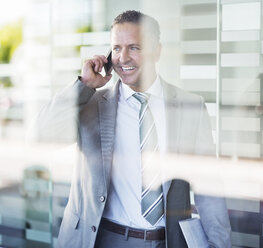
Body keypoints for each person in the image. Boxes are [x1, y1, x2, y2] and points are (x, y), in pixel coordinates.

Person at [35, 10, 231, 248]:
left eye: (134, 48)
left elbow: (208, 185)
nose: (123, 58)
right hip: (104, 238)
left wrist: (219, 244)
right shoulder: (92, 104)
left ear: (156, 51)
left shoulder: (190, 106)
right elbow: (41, 135)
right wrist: (84, 85)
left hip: (168, 241)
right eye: (116, 48)